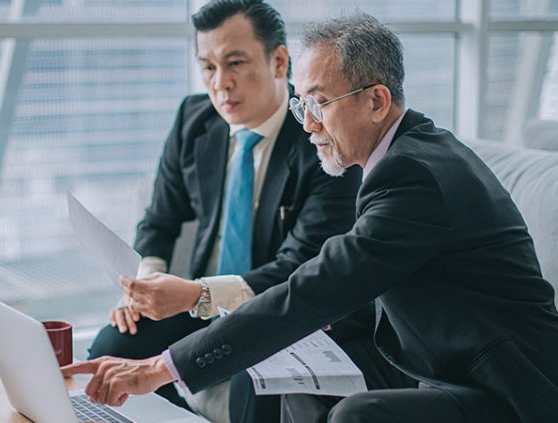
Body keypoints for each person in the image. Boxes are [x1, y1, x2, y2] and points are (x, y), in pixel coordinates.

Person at [66, 11, 558, 423]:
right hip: (431, 351)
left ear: (376, 100)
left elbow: (317, 286)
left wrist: (161, 368)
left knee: (356, 416)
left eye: (320, 103)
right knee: (289, 371)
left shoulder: (413, 176)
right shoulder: (403, 154)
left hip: (509, 385)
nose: (310, 124)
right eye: (303, 104)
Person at [85, 1, 409, 422]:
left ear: (278, 62)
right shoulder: (194, 118)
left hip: (278, 308)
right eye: (208, 67)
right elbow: (160, 220)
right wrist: (145, 287)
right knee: (112, 349)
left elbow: (301, 268)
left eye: (235, 63)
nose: (221, 83)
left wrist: (194, 293)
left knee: (256, 369)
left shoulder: (323, 137)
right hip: (196, 304)